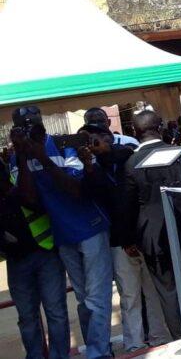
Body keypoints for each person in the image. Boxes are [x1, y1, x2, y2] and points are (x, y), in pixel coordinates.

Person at [10, 106, 114, 359]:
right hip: (62, 234)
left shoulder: (64, 144)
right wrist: (24, 157)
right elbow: (29, 200)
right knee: (83, 299)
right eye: (25, 126)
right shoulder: (18, 158)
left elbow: (77, 191)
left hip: (89, 226)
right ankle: (100, 349)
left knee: (96, 298)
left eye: (35, 123)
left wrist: (43, 159)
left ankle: (98, 353)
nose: (32, 129)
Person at [77, 122, 170, 352]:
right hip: (119, 240)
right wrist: (89, 163)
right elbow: (92, 192)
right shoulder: (92, 166)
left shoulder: (126, 153)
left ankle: (159, 336)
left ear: (109, 137)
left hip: (143, 236)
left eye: (96, 138)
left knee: (152, 291)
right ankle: (134, 343)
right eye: (88, 141)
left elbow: (122, 155)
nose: (93, 144)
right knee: (129, 296)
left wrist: (104, 152)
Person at [123, 110, 181, 339]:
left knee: (168, 291)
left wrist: (129, 239)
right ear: (160, 127)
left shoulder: (131, 163)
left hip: (152, 237)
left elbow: (128, 206)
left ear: (134, 132)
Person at [0, 159, 70, 359]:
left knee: (55, 311)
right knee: (28, 317)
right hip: (18, 262)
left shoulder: (22, 188)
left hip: (45, 253)